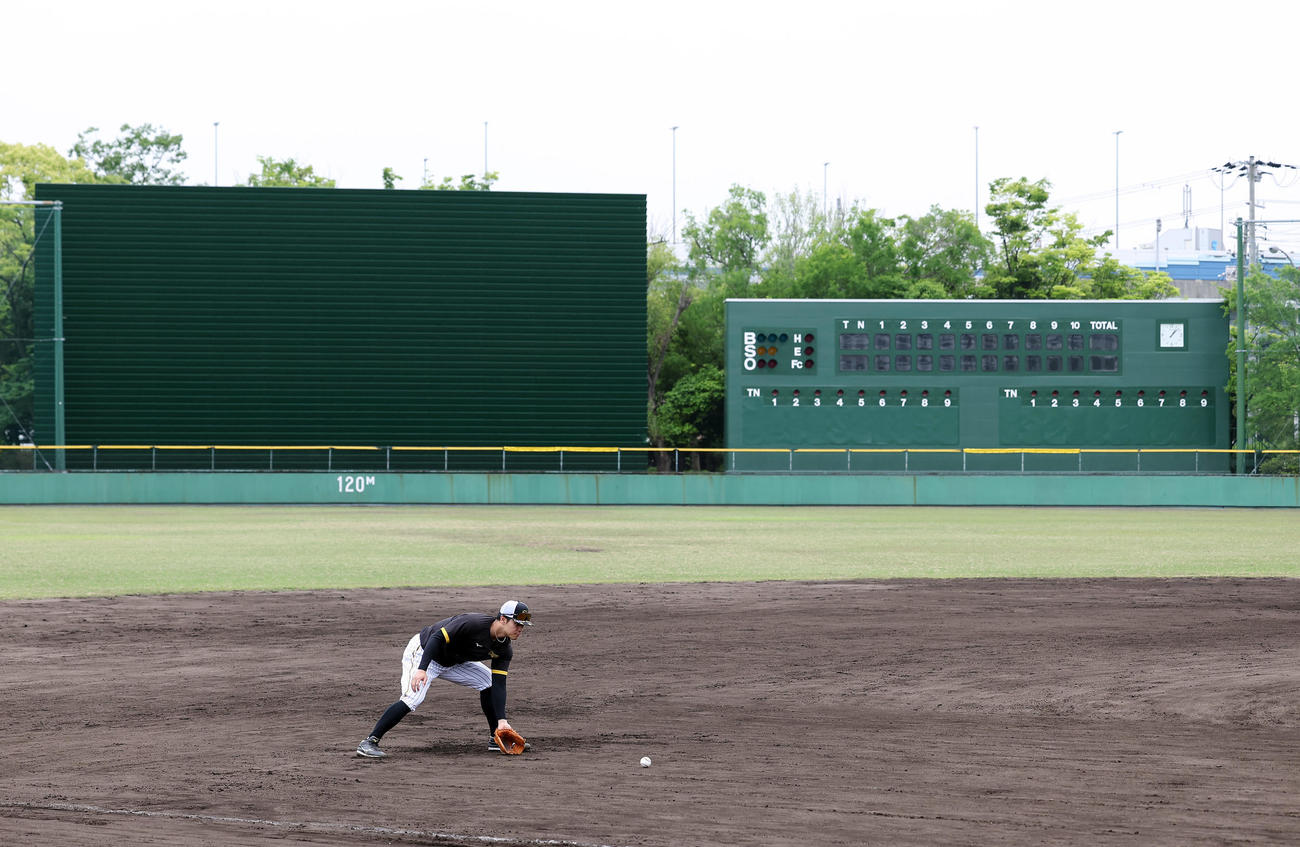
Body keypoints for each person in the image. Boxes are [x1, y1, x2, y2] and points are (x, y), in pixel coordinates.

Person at [355, 600, 533, 758]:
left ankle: (495, 737)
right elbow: (437, 637)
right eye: (517, 624)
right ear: (503, 619)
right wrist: (421, 669)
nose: (520, 629)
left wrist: (502, 721)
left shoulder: (504, 649)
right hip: (425, 652)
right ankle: (370, 741)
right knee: (413, 698)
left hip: (453, 661)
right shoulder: (473, 623)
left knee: (489, 681)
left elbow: (499, 685)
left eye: (523, 626)